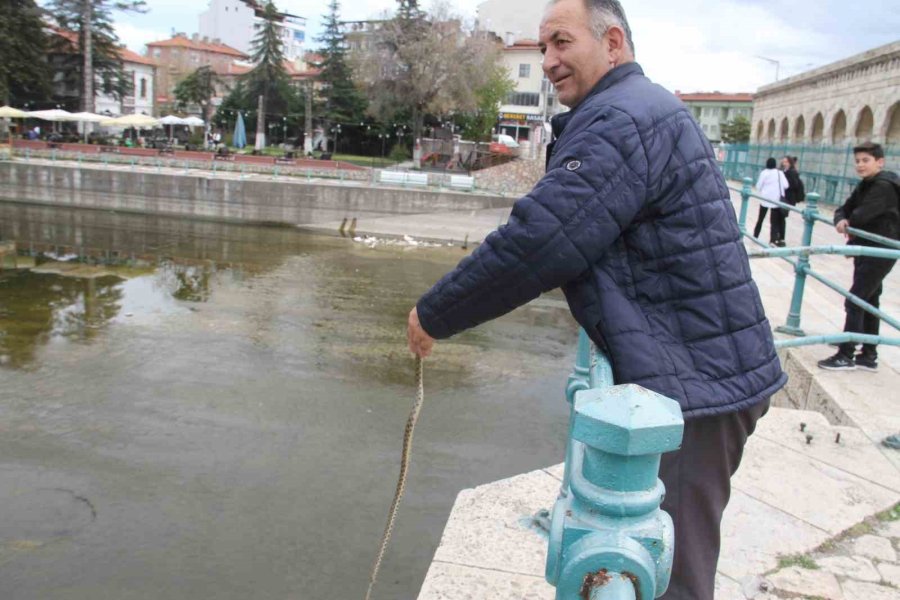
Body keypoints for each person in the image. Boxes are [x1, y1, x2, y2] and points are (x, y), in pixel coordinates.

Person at [406, 1, 786, 598]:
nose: (550, 61)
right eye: (543, 49)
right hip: (704, 372)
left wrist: (433, 314)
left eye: (562, 42)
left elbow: (543, 238)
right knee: (658, 561)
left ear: (612, 43)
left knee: (669, 577)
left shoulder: (622, 119)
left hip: (693, 390)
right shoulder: (638, 109)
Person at [818, 141, 899, 371]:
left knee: (855, 299)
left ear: (879, 162)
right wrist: (842, 219)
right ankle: (869, 353)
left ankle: (846, 353)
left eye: (866, 160)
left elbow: (860, 216)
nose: (860, 165)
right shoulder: (867, 184)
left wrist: (848, 221)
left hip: (880, 251)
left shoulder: (883, 186)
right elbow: (843, 209)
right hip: (867, 249)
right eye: (858, 161)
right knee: (869, 299)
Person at [753, 157, 789, 245]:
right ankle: (772, 240)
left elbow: (758, 186)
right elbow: (786, 185)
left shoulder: (764, 173)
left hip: (765, 199)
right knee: (774, 222)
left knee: (760, 218)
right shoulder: (779, 173)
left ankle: (755, 236)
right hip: (776, 200)